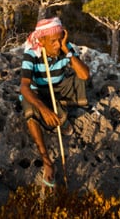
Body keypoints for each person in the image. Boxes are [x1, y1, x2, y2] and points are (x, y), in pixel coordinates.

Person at [20, 17, 90, 187]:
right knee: (30, 108)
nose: (57, 44)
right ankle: (47, 162)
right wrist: (44, 110)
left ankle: (59, 112)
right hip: (38, 91)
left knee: (79, 79)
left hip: (58, 87)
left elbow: (84, 75)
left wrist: (67, 49)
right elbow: (24, 87)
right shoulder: (31, 55)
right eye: (53, 41)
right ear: (41, 40)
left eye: (60, 39)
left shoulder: (65, 49)